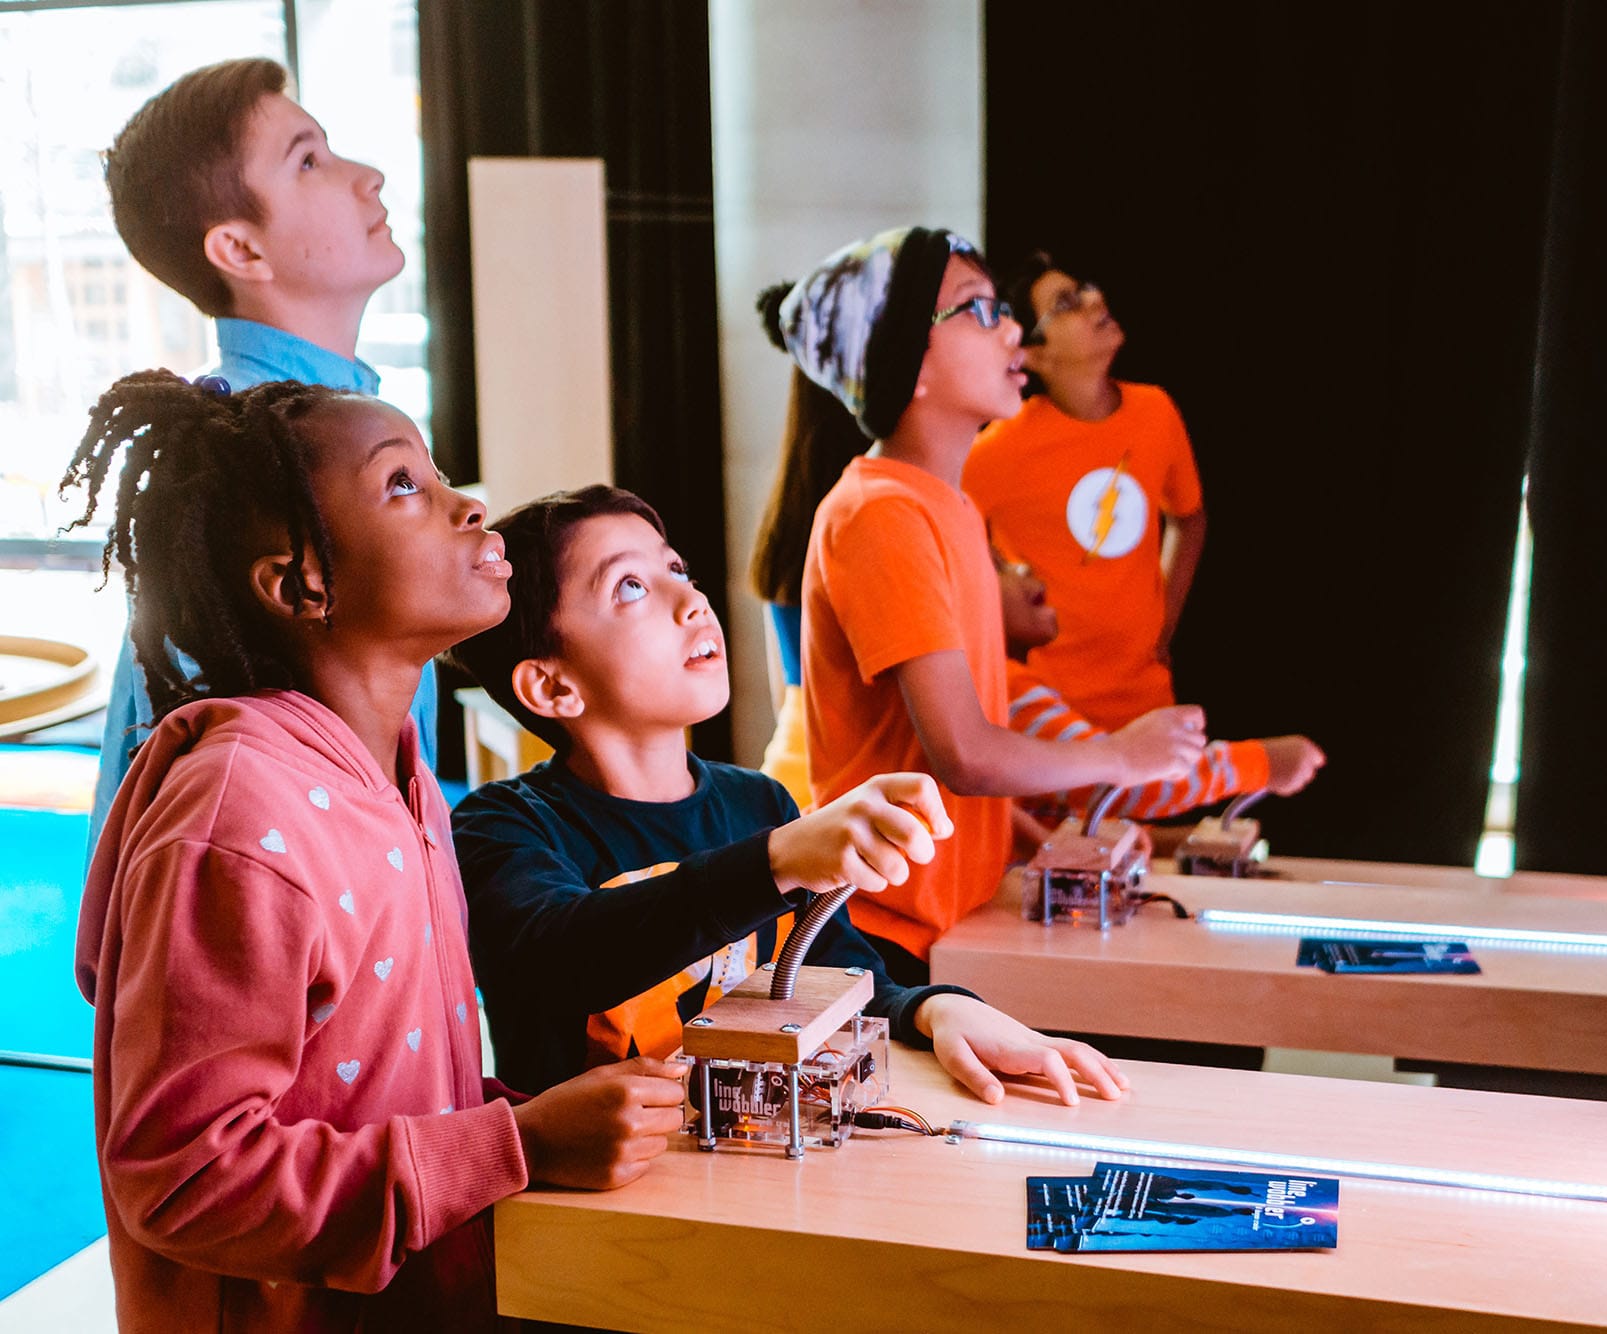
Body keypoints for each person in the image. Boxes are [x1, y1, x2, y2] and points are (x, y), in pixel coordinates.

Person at [62, 373, 681, 1333]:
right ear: (302, 582)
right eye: (404, 486)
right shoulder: (239, 813)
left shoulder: (396, 777)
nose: (468, 504)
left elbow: (376, 1085)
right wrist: (512, 1142)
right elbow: (183, 1179)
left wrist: (545, 1116)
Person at [447, 485, 1128, 1106]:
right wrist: (776, 861)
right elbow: (558, 959)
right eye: (630, 587)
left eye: (677, 570)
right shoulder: (500, 827)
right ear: (553, 687)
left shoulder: (757, 804)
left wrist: (937, 1009)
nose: (692, 601)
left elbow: (841, 980)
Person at [776, 226, 1208, 984]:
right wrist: (1122, 755)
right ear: (904, 363)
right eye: (977, 309)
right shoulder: (880, 513)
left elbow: (932, 769)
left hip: (947, 922)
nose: (1011, 325)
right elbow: (966, 754)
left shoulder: (946, 505)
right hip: (881, 941)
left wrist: (1037, 839)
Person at [87, 56, 437, 862]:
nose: (370, 176)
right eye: (308, 160)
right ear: (240, 248)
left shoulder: (334, 421)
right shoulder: (231, 450)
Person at [962, 252, 1205, 730]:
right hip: (1052, 716)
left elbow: (1190, 518)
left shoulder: (1156, 412)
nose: (1095, 299)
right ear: (1032, 353)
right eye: (1066, 302)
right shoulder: (997, 450)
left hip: (1148, 703)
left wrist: (1165, 621)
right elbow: (949, 540)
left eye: (1086, 288)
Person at [996, 557, 1324, 830]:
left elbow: (1048, 812)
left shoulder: (1012, 685)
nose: (1023, 568)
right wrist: (1262, 763)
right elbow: (1112, 782)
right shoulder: (1008, 688)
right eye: (997, 564)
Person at [746, 283, 872, 811]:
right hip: (852, 795)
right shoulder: (873, 513)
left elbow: (786, 696)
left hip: (790, 784)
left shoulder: (788, 513)